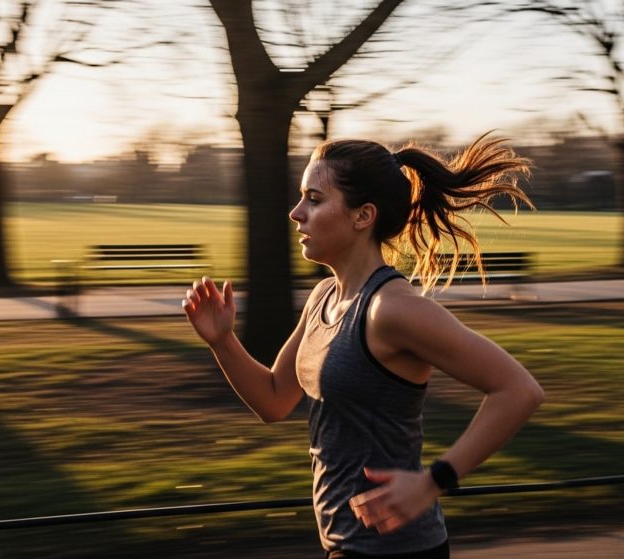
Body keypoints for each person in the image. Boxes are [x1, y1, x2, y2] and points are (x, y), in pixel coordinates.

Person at [183, 134, 545, 558]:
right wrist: (222, 341)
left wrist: (433, 482)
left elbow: (519, 390)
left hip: (398, 551)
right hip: (344, 544)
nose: (296, 212)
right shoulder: (323, 298)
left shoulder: (391, 309)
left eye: (314, 199)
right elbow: (274, 400)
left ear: (363, 216)